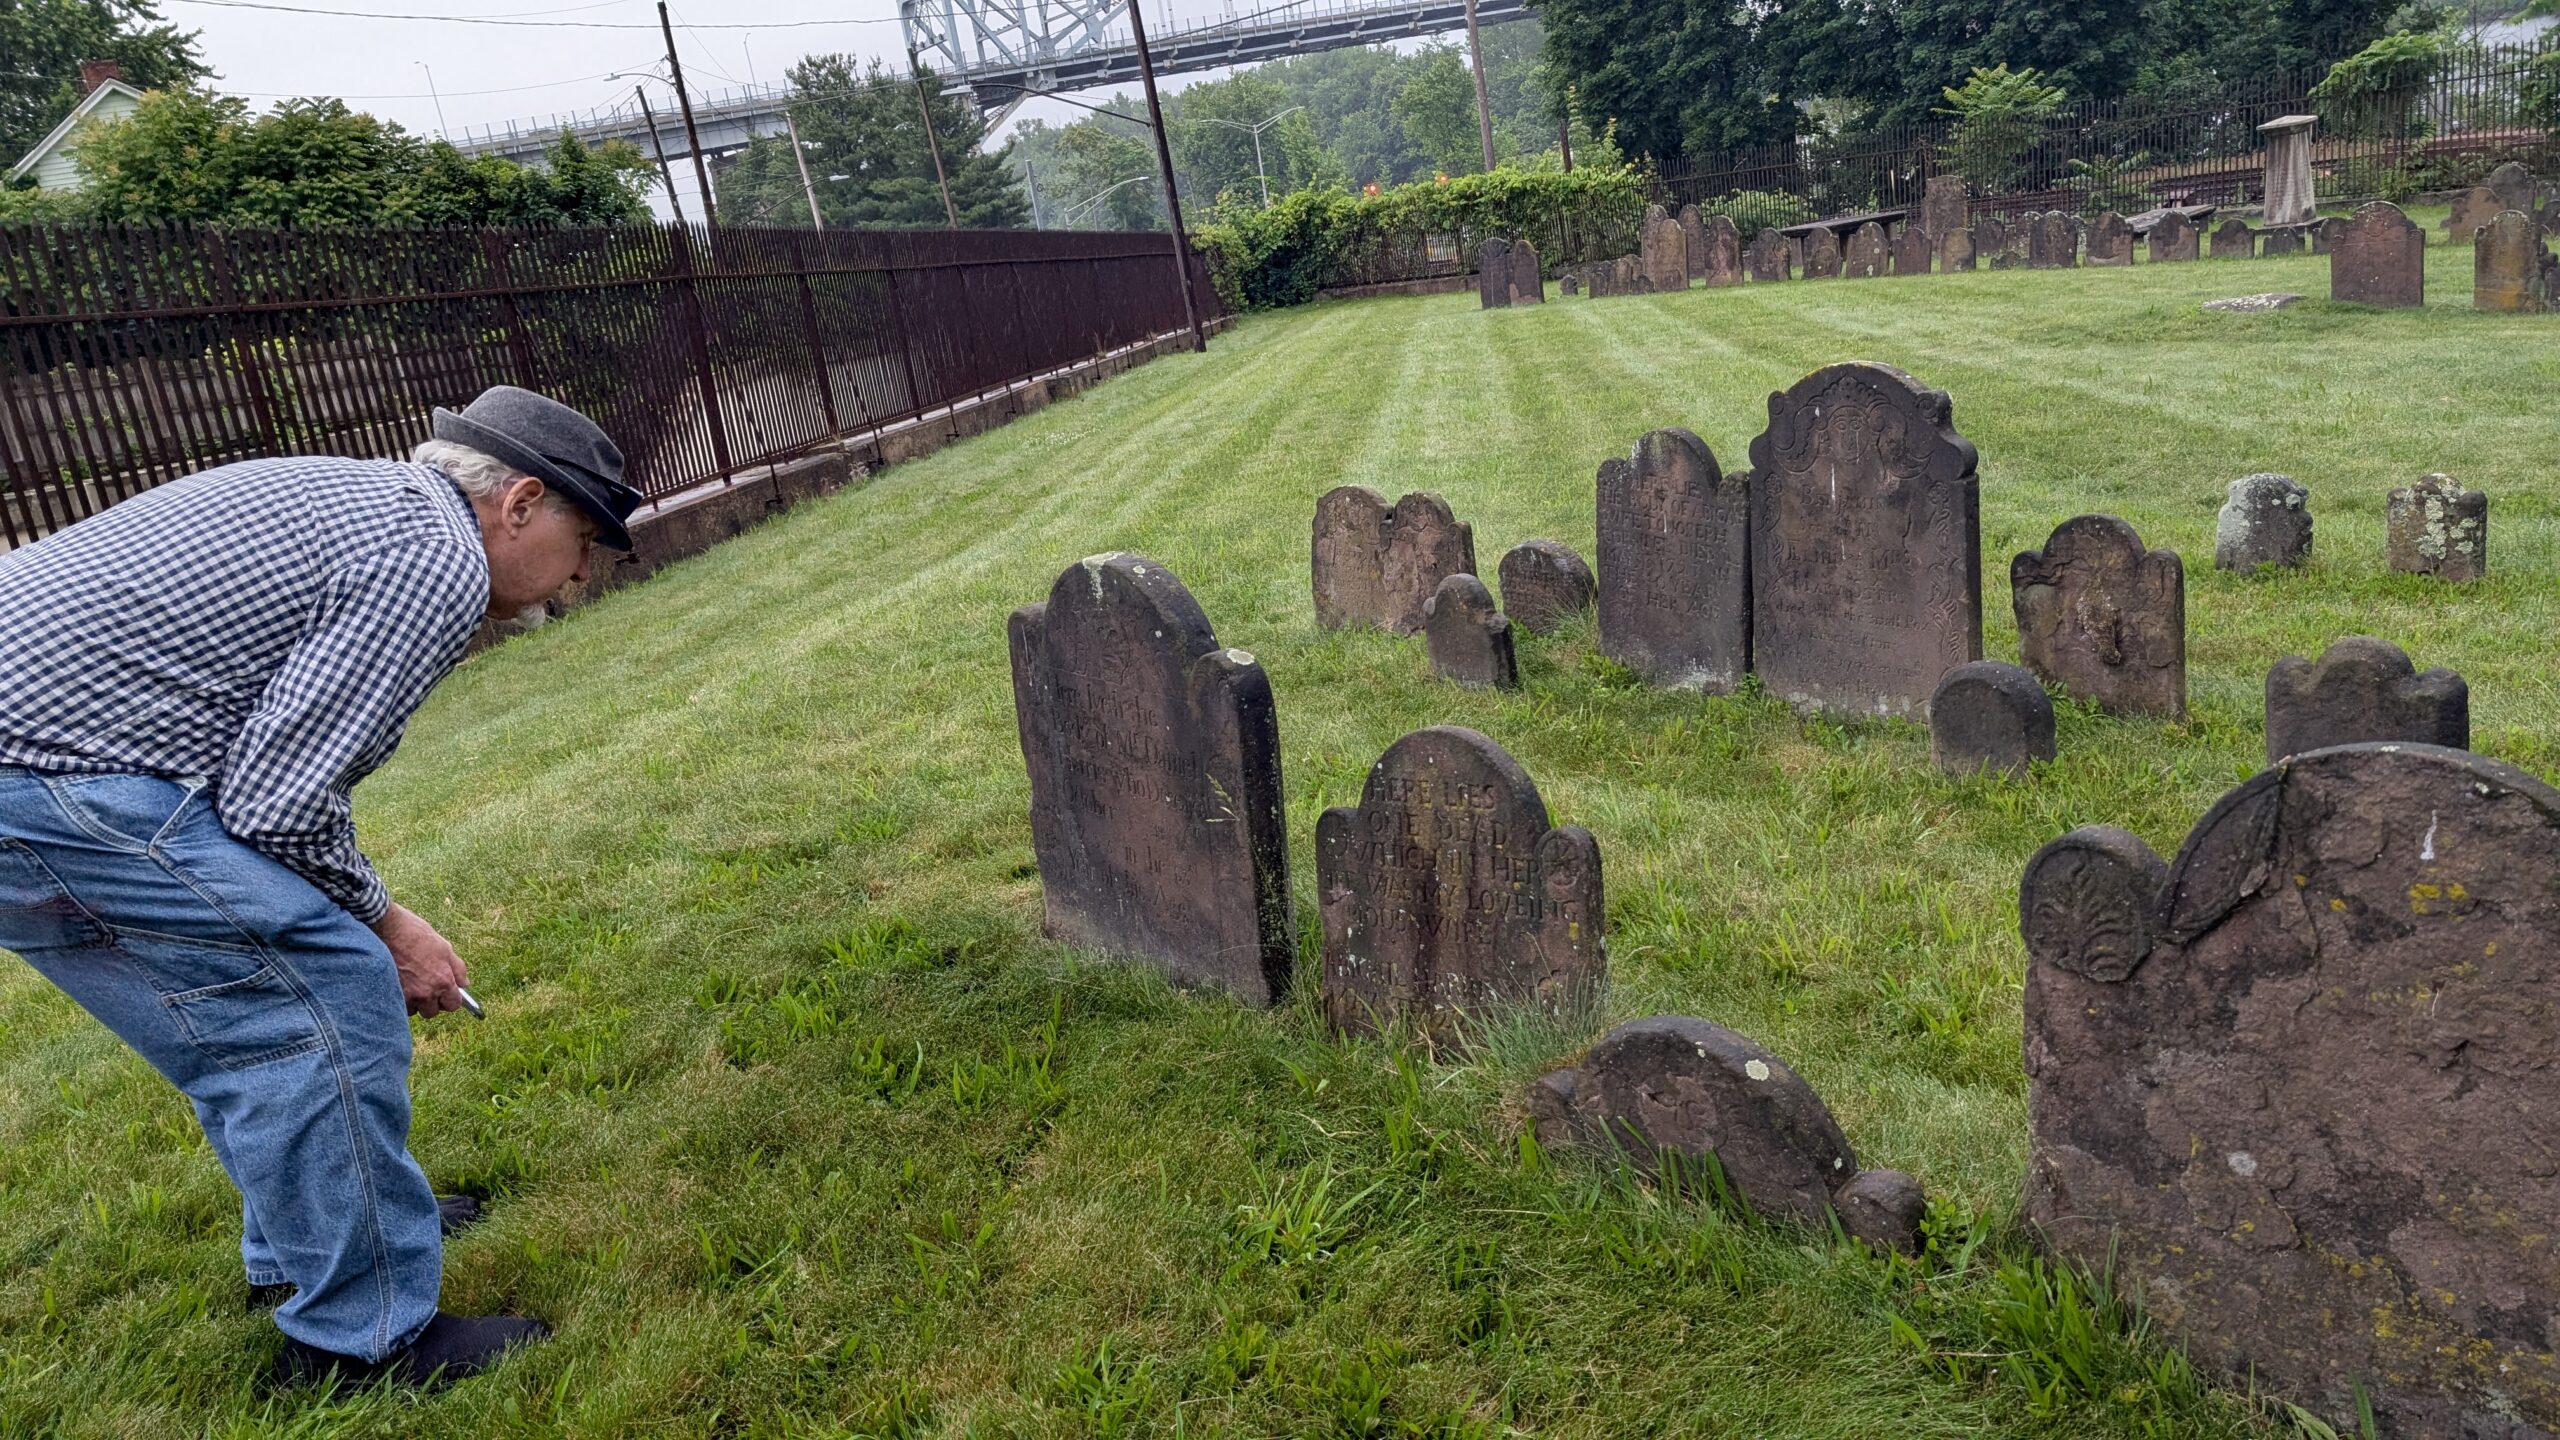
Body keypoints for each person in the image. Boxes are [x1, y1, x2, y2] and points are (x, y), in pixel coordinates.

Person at [0, 386, 638, 1385]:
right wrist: (392, 927)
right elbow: (281, 806)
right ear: (517, 504)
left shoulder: (368, 506)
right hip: (45, 780)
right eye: (583, 540)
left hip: (33, 780)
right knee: (329, 993)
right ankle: (364, 1338)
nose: (580, 573)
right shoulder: (432, 556)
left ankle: (326, 1246)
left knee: (239, 1029)